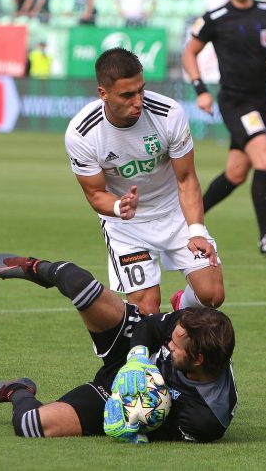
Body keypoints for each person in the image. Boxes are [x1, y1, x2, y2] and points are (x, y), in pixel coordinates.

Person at [0, 252, 237, 443]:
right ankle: (36, 268)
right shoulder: (197, 323)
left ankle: (17, 390)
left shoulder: (207, 418)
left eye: (175, 346)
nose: (170, 343)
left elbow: (155, 426)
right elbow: (151, 327)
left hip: (116, 394)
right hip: (129, 355)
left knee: (30, 425)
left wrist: (127, 419)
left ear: (198, 359)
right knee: (76, 281)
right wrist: (138, 359)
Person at [65, 47, 224, 315]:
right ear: (103, 93)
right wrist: (119, 207)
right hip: (127, 226)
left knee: (212, 295)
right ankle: (156, 354)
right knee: (147, 309)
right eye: (127, 95)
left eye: (141, 90)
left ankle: (180, 308)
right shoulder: (83, 133)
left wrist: (196, 230)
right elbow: (95, 194)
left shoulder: (168, 114)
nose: (138, 100)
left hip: (175, 214)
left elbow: (186, 179)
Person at [182, 0, 266, 257]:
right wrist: (201, 90)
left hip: (259, 101)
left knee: (235, 173)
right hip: (235, 102)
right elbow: (189, 53)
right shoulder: (216, 17)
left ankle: (185, 222)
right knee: (265, 158)